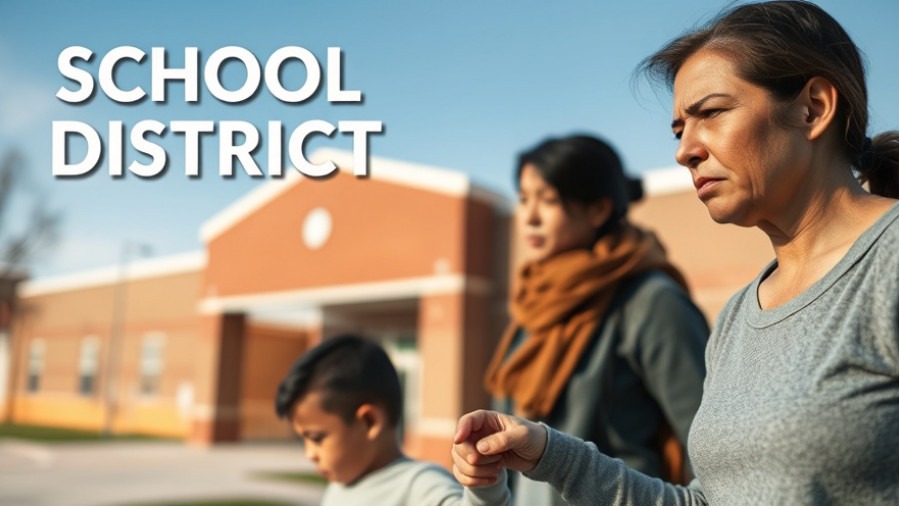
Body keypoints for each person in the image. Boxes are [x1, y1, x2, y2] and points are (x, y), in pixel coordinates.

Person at [453, 1, 899, 505]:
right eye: (678, 129)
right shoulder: (739, 315)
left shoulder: (889, 261)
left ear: (813, 107)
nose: (685, 149)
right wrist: (550, 455)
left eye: (710, 113)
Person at [482, 133, 709, 505]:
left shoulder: (651, 302)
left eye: (549, 200)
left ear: (599, 210)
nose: (530, 216)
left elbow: (711, 446)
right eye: (524, 199)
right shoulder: (535, 303)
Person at [274, 333, 509, 505]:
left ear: (369, 421)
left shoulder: (421, 486)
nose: (309, 454)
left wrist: (484, 484)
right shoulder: (338, 487)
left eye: (317, 438)